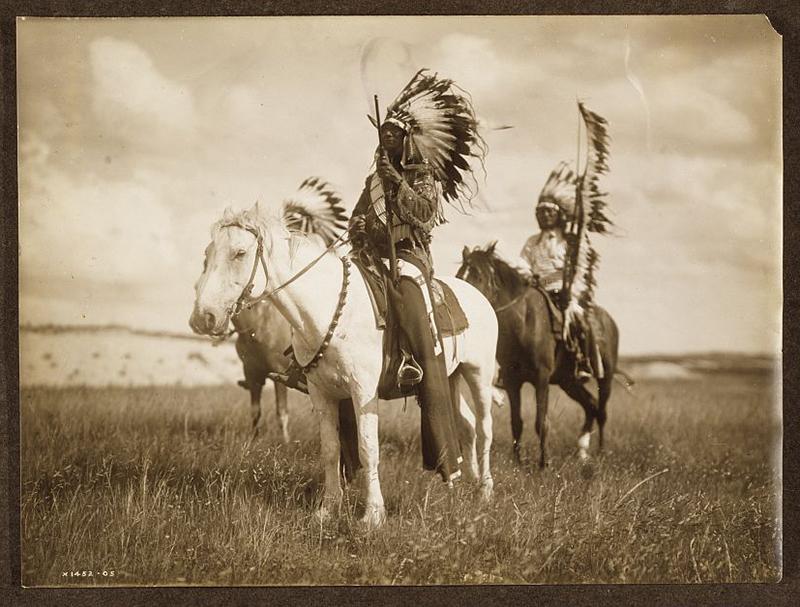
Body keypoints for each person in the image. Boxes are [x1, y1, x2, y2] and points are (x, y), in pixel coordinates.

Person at [348, 69, 486, 483]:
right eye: (382, 135)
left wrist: (399, 185)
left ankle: (417, 365)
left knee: (409, 300)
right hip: (372, 258)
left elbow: (425, 216)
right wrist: (357, 235)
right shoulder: (373, 180)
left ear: (406, 140)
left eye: (392, 135)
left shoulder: (421, 176)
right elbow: (357, 217)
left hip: (409, 258)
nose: (385, 140)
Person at [520, 162, 595, 381]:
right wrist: (528, 277)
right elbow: (523, 264)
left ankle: (583, 361)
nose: (544, 216)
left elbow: (581, 270)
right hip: (536, 292)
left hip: (563, 294)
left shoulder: (570, 242)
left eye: (548, 212)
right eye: (540, 212)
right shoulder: (532, 242)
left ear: (558, 215)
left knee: (578, 319)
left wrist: (570, 291)